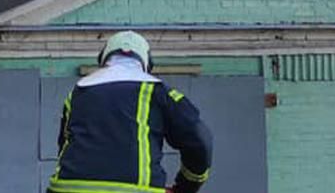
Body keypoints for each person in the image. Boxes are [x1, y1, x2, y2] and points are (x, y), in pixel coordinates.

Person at [48, 31, 214, 193]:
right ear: (146, 63)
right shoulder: (158, 92)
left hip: (67, 187)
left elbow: (64, 144)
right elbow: (200, 140)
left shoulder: (78, 92)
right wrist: (187, 185)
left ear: (103, 59)